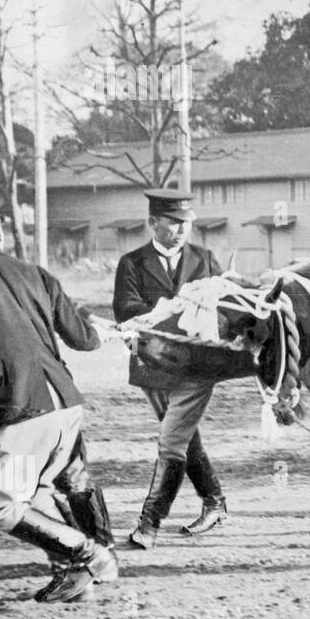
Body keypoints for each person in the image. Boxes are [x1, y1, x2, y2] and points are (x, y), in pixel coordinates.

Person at [0, 188, 118, 602]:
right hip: (65, 405)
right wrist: (97, 327)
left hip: (14, 412)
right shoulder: (38, 273)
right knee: (44, 488)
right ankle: (78, 574)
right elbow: (85, 340)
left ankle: (88, 553)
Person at [113, 188, 227, 548]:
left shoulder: (205, 258)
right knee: (180, 433)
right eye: (173, 223)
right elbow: (126, 310)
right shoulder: (131, 263)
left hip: (198, 366)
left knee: (173, 437)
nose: (180, 231)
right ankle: (215, 502)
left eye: (186, 224)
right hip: (154, 364)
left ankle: (149, 525)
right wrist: (178, 308)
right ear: (152, 223)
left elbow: (225, 306)